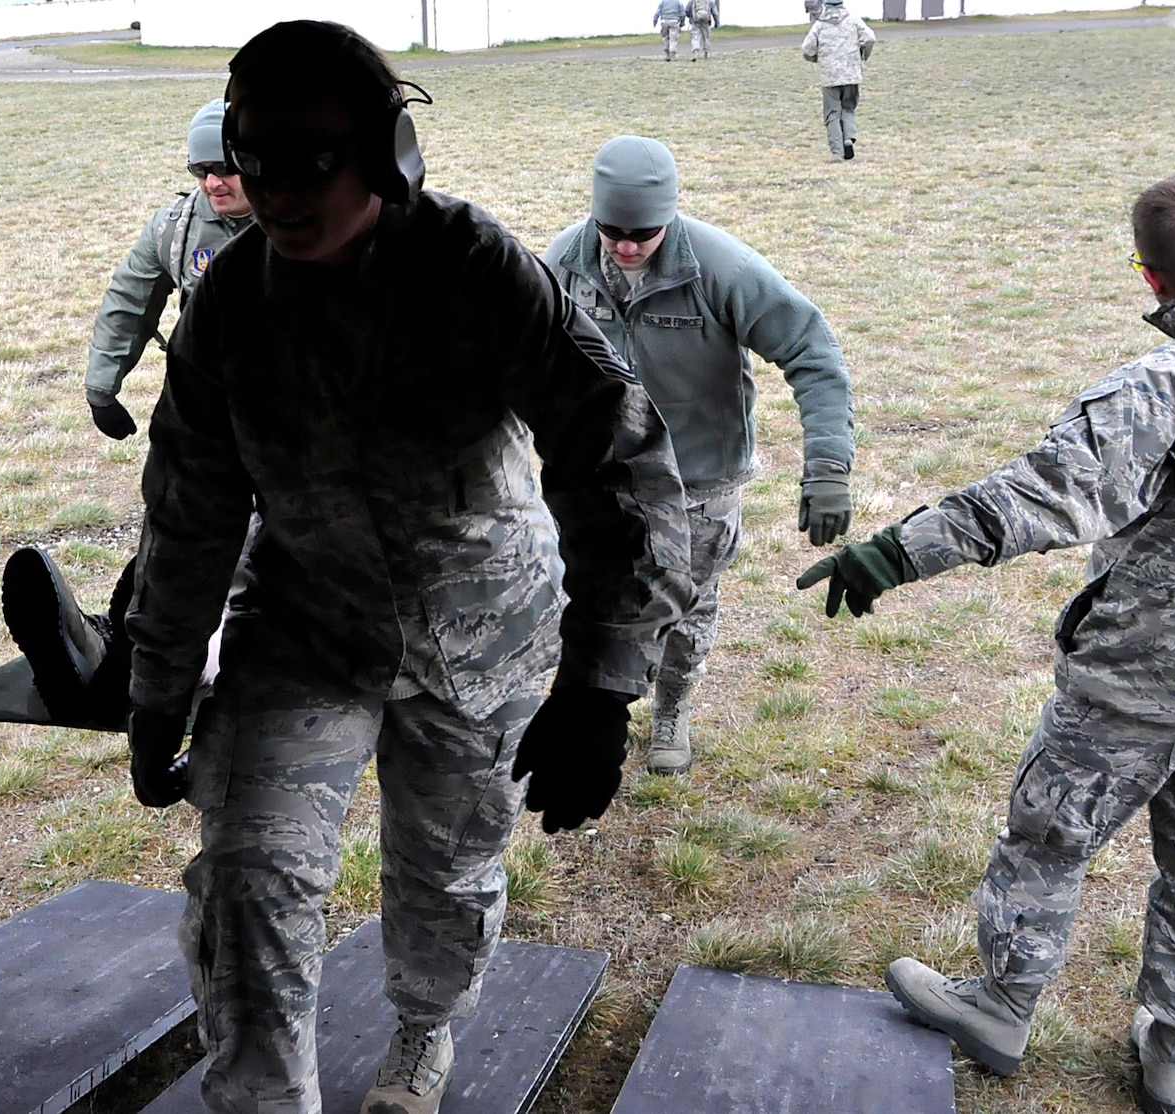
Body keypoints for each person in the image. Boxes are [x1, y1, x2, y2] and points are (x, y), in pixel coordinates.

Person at [125, 20, 692, 1114]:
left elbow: (611, 462)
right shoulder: (230, 309)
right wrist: (155, 689)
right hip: (304, 626)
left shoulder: (476, 269)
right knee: (248, 880)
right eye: (253, 162)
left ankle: (423, 1031)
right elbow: (188, 511)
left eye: (308, 164)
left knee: (442, 879)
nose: (274, 192)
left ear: (386, 155)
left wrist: (602, 681)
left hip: (480, 627)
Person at [798, 174, 1175, 1114]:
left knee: (1048, 838)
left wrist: (893, 554)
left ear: (1149, 278)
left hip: (1140, 682)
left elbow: (1040, 496)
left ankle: (1001, 1006)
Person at [542, 135, 854, 777]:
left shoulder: (720, 268)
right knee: (593, 594)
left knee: (686, 603)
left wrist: (827, 468)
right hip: (600, 475)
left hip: (698, 479)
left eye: (643, 232)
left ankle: (672, 711)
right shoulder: (566, 262)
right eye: (612, 229)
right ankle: (608, 702)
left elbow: (814, 353)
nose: (626, 246)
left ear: (670, 216)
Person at [85, 97, 256, 440]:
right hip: (207, 397)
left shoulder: (309, 223)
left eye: (224, 169)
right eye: (200, 170)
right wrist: (101, 391)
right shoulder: (174, 229)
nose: (213, 184)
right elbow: (129, 301)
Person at [801, 0, 874, 161]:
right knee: (848, 108)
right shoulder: (854, 20)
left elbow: (807, 49)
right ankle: (848, 138)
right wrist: (863, 55)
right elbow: (869, 38)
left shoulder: (819, 25)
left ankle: (837, 152)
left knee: (832, 113)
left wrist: (817, 58)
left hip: (829, 76)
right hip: (851, 74)